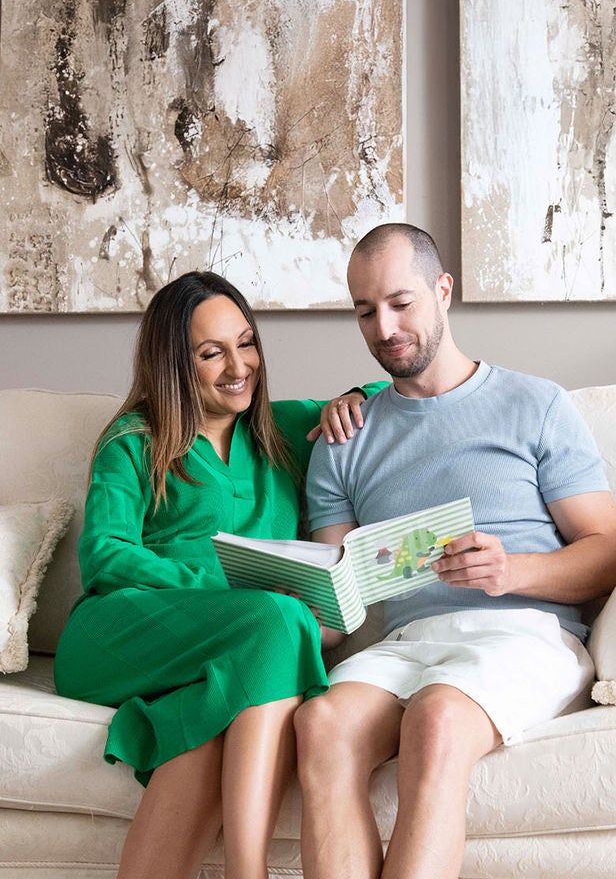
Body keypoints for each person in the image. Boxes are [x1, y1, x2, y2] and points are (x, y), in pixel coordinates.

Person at [295, 222, 616, 879]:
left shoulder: (536, 404)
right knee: (321, 724)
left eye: (400, 301)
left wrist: (511, 570)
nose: (383, 327)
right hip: (407, 643)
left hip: (523, 633)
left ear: (443, 291)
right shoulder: (342, 438)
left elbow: (607, 551)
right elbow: (334, 609)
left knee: (438, 718)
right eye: (364, 310)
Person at [54, 269, 377, 879]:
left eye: (247, 342)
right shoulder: (133, 440)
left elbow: (400, 395)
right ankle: (246, 871)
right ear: (176, 364)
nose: (239, 365)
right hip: (120, 632)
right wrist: (231, 580)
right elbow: (106, 557)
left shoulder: (287, 429)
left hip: (233, 643)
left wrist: (353, 396)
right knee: (279, 615)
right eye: (212, 352)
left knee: (222, 706)